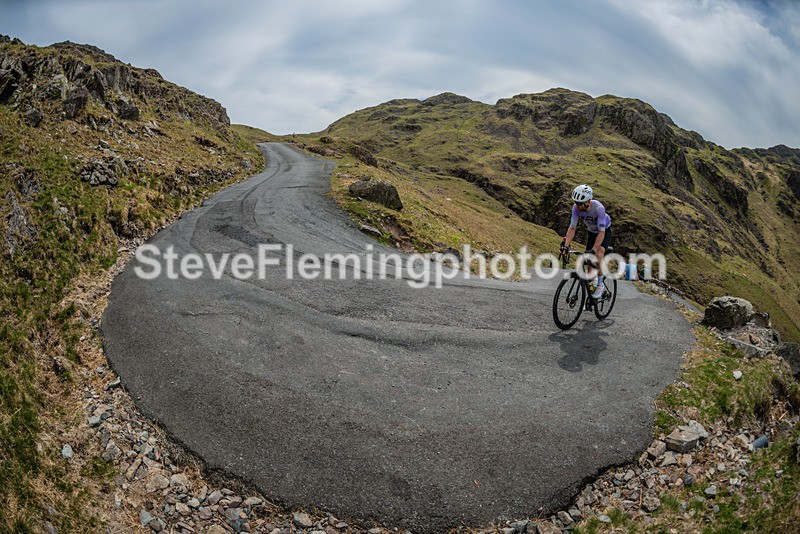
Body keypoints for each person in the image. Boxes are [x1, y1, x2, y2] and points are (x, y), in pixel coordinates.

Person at [561, 184, 612, 299]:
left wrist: (594, 249)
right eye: (575, 202)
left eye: (579, 203)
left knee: (598, 254)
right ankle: (589, 296)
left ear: (588, 202)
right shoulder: (575, 208)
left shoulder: (599, 208)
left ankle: (600, 284)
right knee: (589, 269)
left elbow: (601, 232)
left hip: (604, 232)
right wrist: (566, 245)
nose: (576, 205)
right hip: (591, 233)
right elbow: (572, 227)